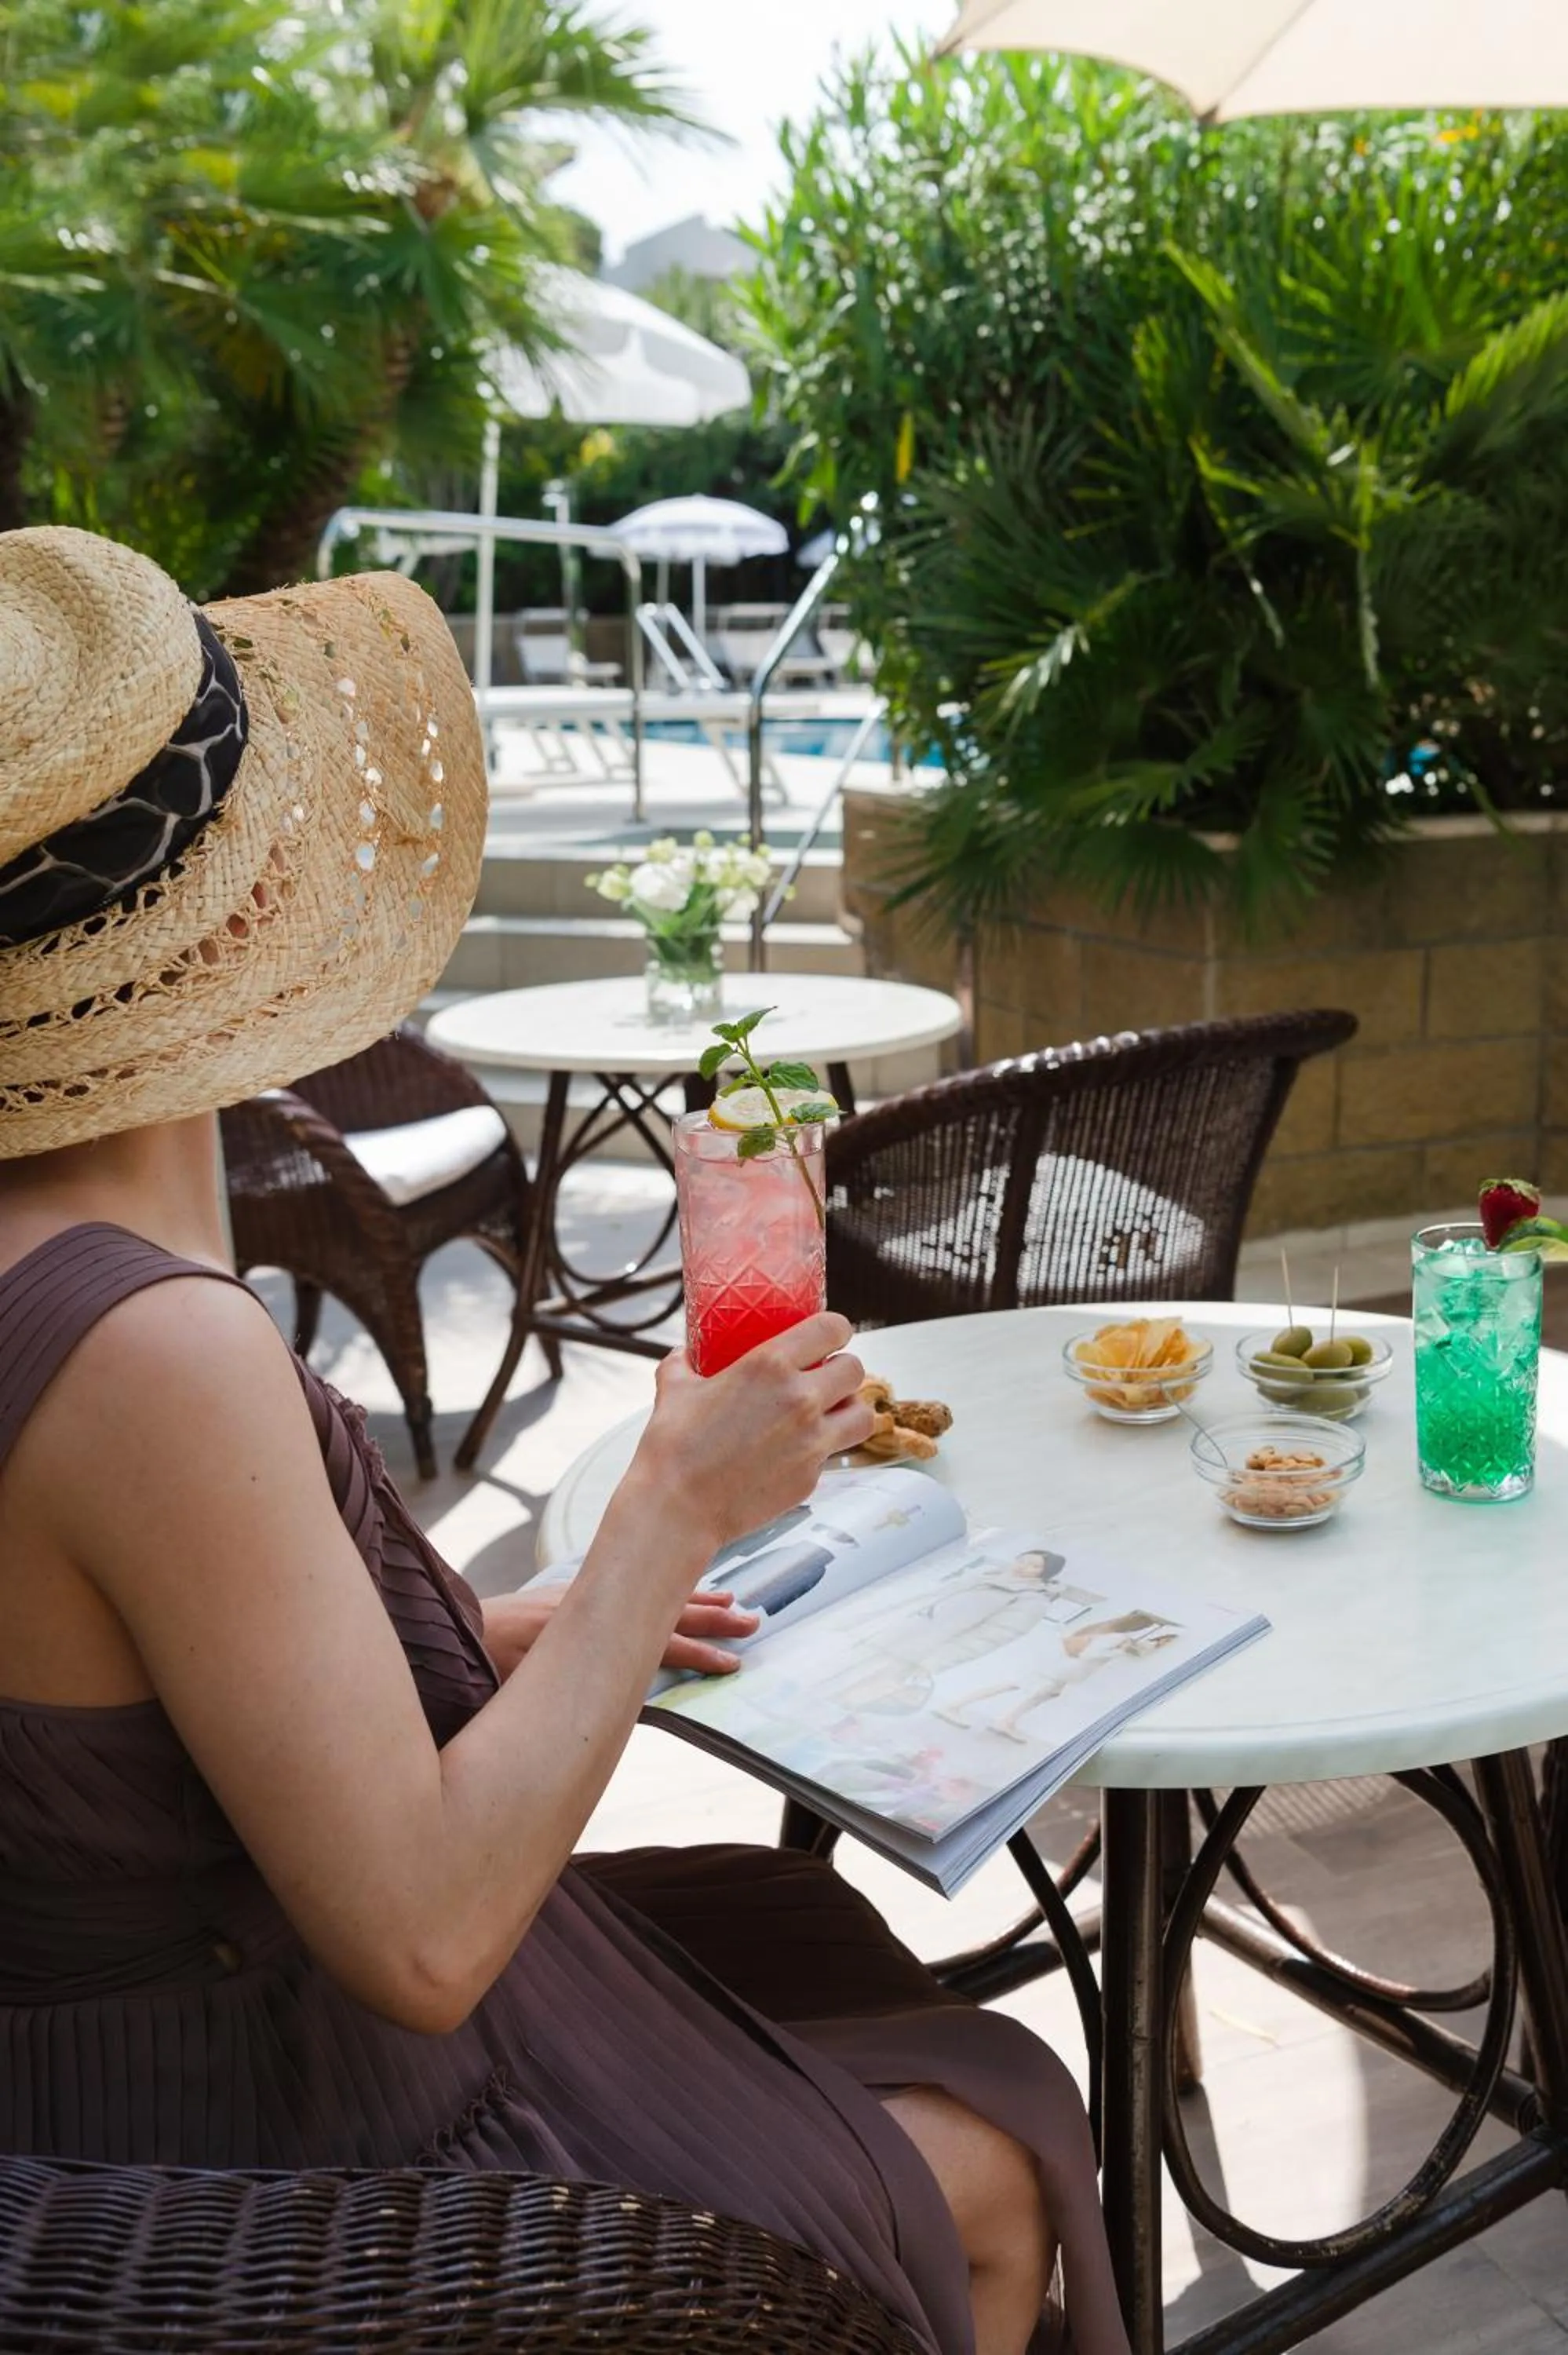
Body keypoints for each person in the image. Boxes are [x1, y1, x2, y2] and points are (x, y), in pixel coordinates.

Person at [0, 528, 1130, 2355]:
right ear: (219, 906)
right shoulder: (150, 1349)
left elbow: (135, 1719)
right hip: (267, 2158)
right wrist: (670, 1510)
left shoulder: (75, 1274)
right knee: (995, 2140)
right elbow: (428, 1942)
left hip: (106, 2100)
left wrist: (536, 1625)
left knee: (861, 1980)